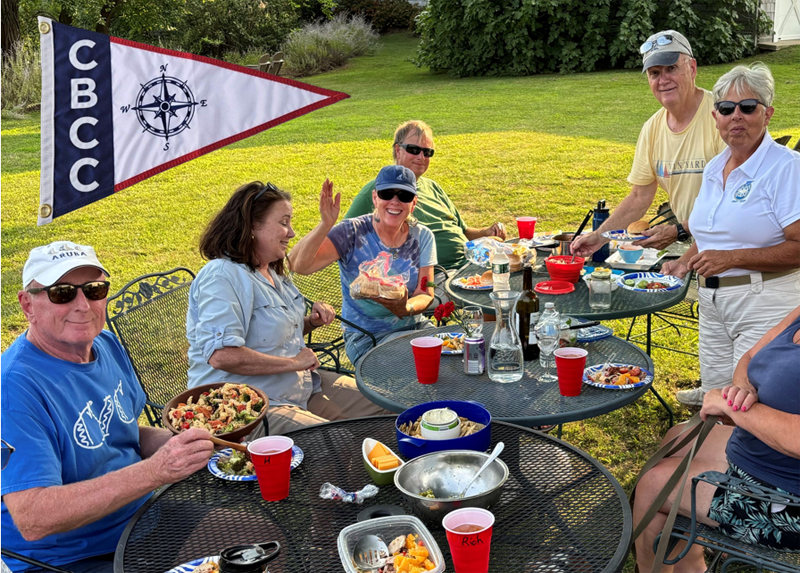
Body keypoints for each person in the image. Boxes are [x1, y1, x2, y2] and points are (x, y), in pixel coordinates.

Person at [1, 241, 214, 573]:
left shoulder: (105, 343)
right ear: (27, 304)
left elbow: (124, 432)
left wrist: (200, 446)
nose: (83, 305)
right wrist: (156, 470)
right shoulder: (14, 389)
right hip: (71, 557)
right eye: (62, 293)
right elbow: (33, 517)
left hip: (141, 519)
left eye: (95, 289)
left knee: (261, 539)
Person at [186, 182, 390, 435]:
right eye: (283, 222)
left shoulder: (271, 270)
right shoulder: (222, 276)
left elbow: (271, 335)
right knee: (337, 442)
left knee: (386, 406)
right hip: (246, 407)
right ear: (252, 226)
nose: (291, 232)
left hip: (299, 387)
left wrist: (311, 322)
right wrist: (293, 362)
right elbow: (222, 355)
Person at [661, 62, 800, 406]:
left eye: (747, 107)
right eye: (726, 108)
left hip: (765, 303)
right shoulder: (714, 166)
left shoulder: (787, 168)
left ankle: (740, 461)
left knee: (752, 401)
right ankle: (716, 458)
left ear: (767, 114)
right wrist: (684, 262)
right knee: (717, 396)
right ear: (716, 117)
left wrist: (733, 259)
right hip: (712, 303)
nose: (736, 115)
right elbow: (711, 233)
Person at [633, 303, 800, 571]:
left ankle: (661, 566)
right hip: (766, 452)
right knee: (676, 439)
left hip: (790, 499)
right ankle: (690, 562)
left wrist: (729, 407)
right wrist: (742, 391)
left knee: (653, 485)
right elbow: (750, 356)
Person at [572, 30, 726, 257]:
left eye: (671, 68)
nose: (663, 80)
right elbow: (639, 197)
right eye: (654, 73)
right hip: (695, 249)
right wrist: (599, 236)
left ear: (692, 68)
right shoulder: (652, 128)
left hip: (731, 248)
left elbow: (735, 200)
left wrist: (678, 233)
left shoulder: (724, 116)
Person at [290, 165, 437, 364]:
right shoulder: (352, 232)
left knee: (452, 359)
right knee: (416, 363)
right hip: (366, 337)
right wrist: (325, 225)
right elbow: (299, 266)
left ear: (414, 203)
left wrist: (405, 307)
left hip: (415, 327)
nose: (395, 201)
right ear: (375, 198)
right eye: (387, 194)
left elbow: (425, 292)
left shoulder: (422, 236)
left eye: (404, 195)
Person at [344, 120, 506, 270]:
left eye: (427, 152)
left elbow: (462, 230)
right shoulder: (381, 191)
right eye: (414, 150)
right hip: (434, 277)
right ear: (398, 151)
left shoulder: (432, 187)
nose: (421, 157)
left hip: (470, 264)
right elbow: (344, 239)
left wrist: (485, 232)